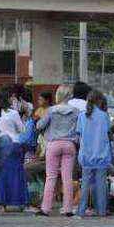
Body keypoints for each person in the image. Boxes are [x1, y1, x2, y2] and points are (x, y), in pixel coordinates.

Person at [35, 84, 79, 217]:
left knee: (51, 177)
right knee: (67, 177)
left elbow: (40, 125)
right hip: (69, 145)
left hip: (53, 144)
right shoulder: (76, 111)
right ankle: (68, 209)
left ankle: (46, 208)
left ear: (58, 95)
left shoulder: (51, 110)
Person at [75, 89, 111, 217]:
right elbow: (108, 134)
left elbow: (78, 136)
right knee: (101, 185)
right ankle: (101, 211)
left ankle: (81, 210)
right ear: (99, 100)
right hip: (101, 155)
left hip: (86, 155)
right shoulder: (104, 116)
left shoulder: (82, 116)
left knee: (84, 184)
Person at [0, 89, 28, 209]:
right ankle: (17, 202)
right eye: (12, 98)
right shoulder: (13, 113)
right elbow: (22, 130)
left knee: (1, 174)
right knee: (16, 174)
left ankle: (1, 202)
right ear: (8, 99)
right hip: (14, 144)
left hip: (0, 145)